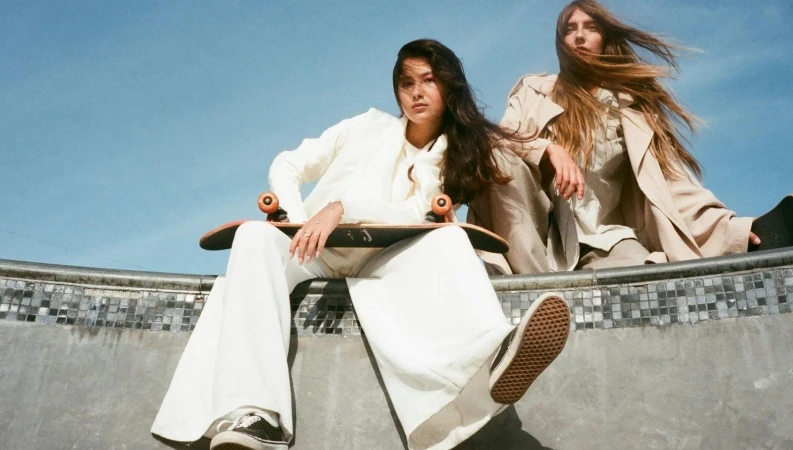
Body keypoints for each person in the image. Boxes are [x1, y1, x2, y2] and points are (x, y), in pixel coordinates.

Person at [150, 39, 571, 450]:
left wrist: (552, 149)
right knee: (253, 236)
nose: (416, 92)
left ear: (448, 86)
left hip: (384, 258)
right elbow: (289, 163)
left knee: (449, 240)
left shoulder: (454, 155)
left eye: (428, 80)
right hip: (313, 250)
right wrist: (295, 218)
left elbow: (430, 204)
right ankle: (255, 415)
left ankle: (491, 357)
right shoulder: (365, 126)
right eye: (406, 83)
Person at [469, 0, 768, 275]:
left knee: (646, 278)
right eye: (570, 29)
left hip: (606, 236)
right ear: (561, 42)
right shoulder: (535, 91)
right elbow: (497, 141)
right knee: (501, 160)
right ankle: (536, 295)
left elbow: (670, 183)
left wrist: (734, 232)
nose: (580, 36)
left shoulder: (631, 108)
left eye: (591, 27)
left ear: (605, 38)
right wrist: (548, 150)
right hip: (539, 237)